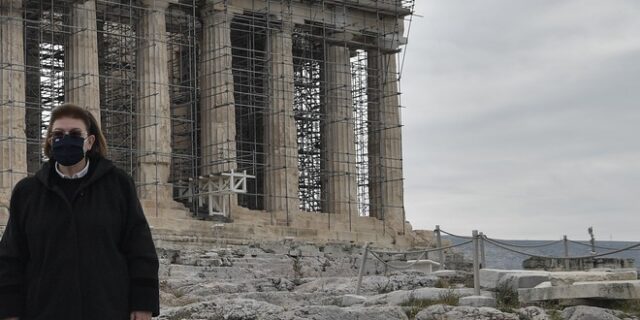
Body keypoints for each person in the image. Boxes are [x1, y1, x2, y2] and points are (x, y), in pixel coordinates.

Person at [0, 103, 160, 320]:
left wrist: (143, 304)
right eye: (58, 134)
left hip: (107, 308)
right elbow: (11, 258)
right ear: (49, 141)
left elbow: (140, 248)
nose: (66, 139)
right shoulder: (27, 192)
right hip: (44, 309)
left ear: (90, 141)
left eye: (75, 134)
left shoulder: (118, 184)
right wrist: (9, 311)